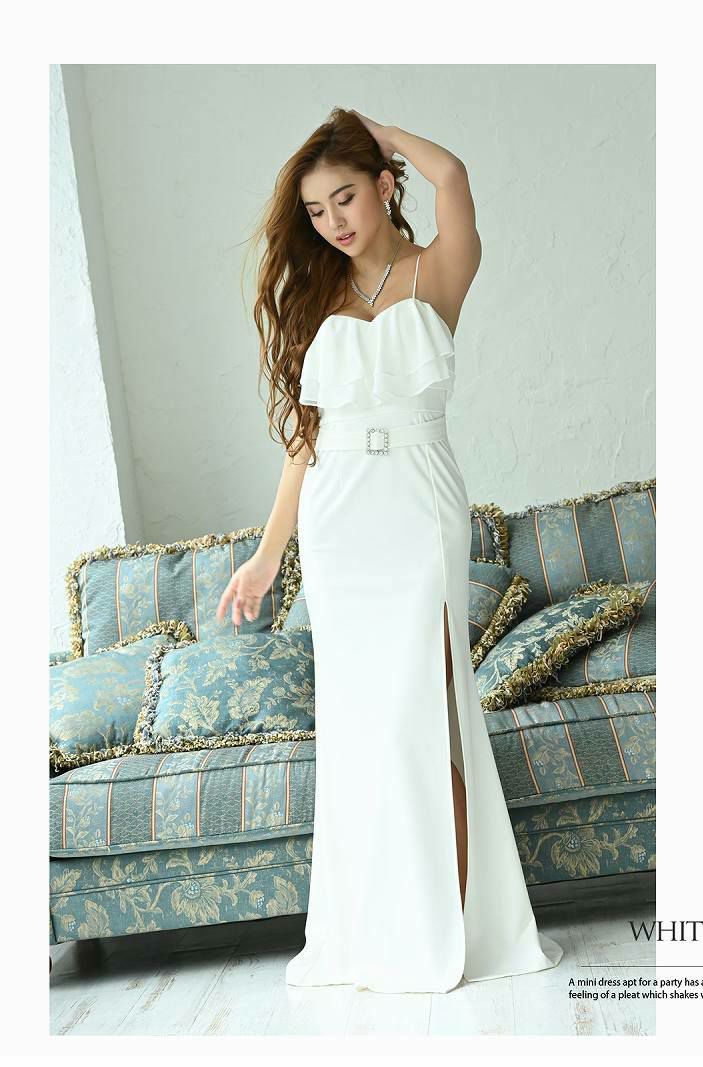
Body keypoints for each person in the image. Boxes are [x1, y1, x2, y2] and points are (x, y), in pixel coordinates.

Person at [216, 107, 563, 994]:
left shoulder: (437, 271)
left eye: (346, 196)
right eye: (316, 209)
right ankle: (378, 932)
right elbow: (305, 444)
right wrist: (267, 556)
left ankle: (453, 926)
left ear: (381, 186)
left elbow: (456, 179)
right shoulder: (316, 297)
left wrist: (385, 133)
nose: (333, 220)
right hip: (339, 521)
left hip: (418, 507)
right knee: (367, 730)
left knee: (428, 717)